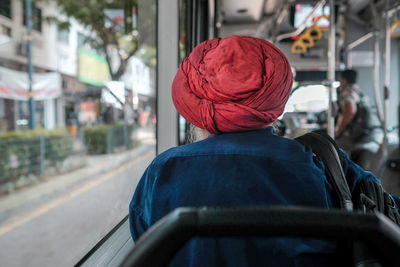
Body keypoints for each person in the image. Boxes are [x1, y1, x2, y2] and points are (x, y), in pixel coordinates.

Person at [129, 36, 398, 266]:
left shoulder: (161, 171)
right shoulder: (322, 161)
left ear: (193, 109)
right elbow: (383, 209)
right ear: (275, 103)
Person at [335, 69, 382, 156]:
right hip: (363, 132)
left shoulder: (347, 93)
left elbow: (350, 110)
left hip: (353, 134)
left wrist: (338, 131)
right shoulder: (359, 91)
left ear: (344, 80)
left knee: (332, 147)